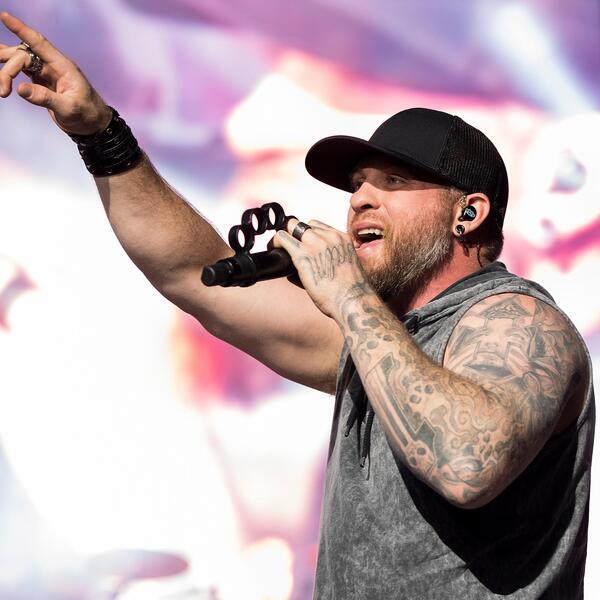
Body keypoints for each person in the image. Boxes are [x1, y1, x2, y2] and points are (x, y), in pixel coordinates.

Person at [0, 13, 594, 599]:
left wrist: (350, 296)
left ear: (468, 213)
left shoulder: (521, 320)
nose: (359, 200)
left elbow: (467, 465)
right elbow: (190, 274)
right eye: (357, 186)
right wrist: (100, 133)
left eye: (392, 183)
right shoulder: (374, 342)